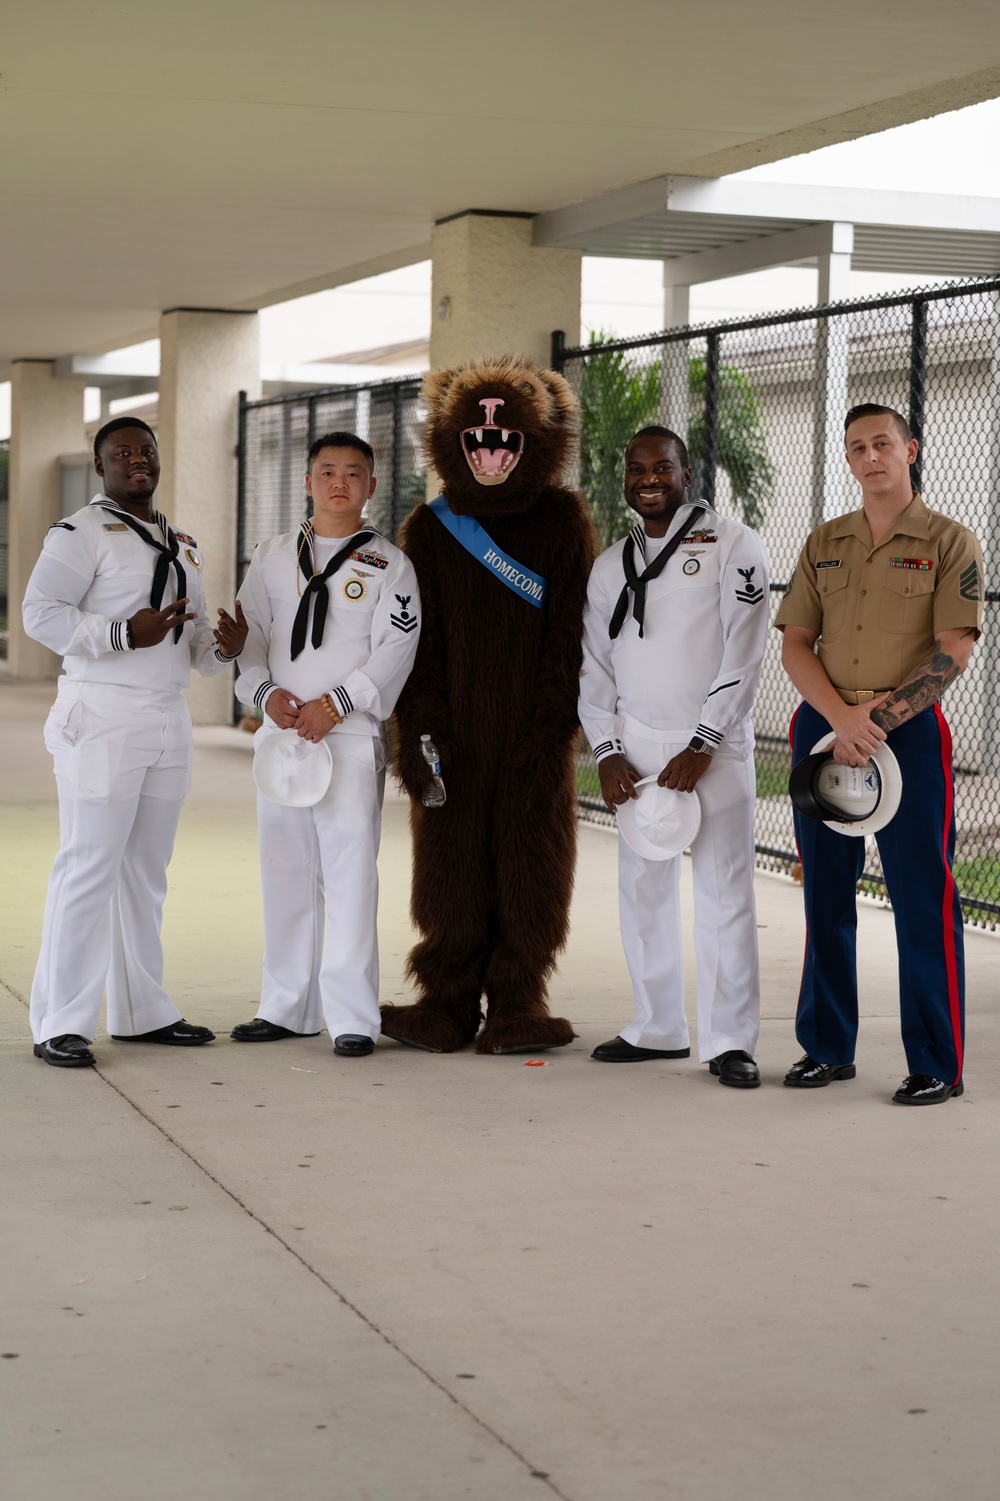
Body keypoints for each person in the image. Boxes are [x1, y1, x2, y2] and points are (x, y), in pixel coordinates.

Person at [776, 403, 983, 1105]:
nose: (871, 456)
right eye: (858, 446)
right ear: (849, 457)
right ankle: (826, 1047)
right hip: (827, 728)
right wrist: (841, 720)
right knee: (826, 890)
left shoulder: (952, 541)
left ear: (911, 449)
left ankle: (936, 1061)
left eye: (883, 444)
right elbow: (796, 642)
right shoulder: (824, 541)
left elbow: (954, 646)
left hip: (911, 732)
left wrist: (882, 719)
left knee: (922, 895)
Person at [23, 417, 246, 1068]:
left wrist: (222, 648)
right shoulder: (79, 533)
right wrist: (123, 633)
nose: (136, 460)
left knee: (146, 872)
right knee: (88, 865)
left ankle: (141, 1011)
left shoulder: (185, 543)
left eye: (145, 450)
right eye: (121, 453)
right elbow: (41, 615)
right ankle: (59, 1021)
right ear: (100, 467)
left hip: (166, 715)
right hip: (103, 711)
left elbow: (193, 645)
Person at [579, 426, 770, 1087]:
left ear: (688, 473)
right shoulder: (610, 565)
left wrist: (706, 741)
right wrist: (604, 749)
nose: (648, 478)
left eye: (662, 467)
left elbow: (745, 651)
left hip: (709, 748)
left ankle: (728, 1040)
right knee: (643, 887)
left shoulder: (732, 545)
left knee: (724, 891)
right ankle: (657, 1024)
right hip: (637, 746)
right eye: (637, 469)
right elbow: (594, 668)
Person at [232, 432, 420, 1057]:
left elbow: (397, 649)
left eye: (354, 473)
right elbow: (252, 634)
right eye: (327, 470)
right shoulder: (271, 555)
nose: (340, 482)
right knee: (284, 871)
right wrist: (263, 694)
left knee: (348, 876)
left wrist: (338, 703)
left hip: (348, 735)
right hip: (283, 735)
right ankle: (286, 1006)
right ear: (309, 481)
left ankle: (351, 1018)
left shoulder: (390, 564)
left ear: (370, 486)